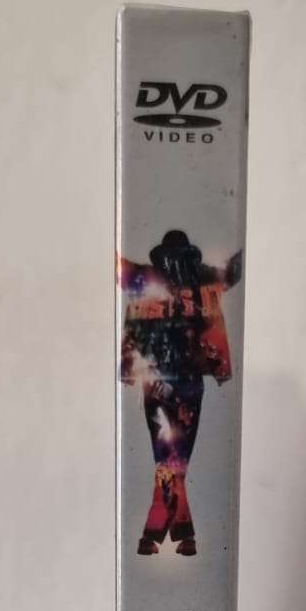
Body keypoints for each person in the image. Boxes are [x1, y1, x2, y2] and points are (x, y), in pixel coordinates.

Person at [119, 229, 243, 555]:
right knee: (174, 461)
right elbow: (232, 275)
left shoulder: (148, 283)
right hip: (184, 383)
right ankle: (175, 536)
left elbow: (119, 273)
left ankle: (161, 536)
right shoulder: (200, 282)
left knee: (169, 459)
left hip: (160, 383)